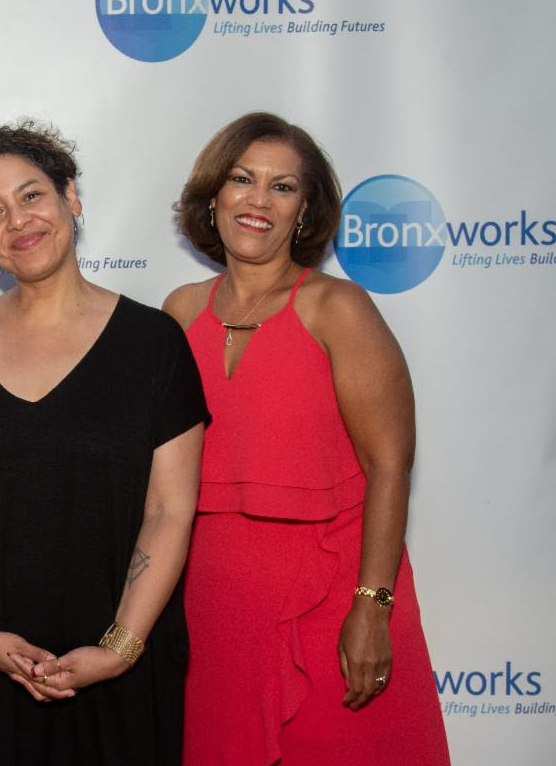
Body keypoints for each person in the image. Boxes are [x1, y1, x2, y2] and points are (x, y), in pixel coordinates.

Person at [0, 121, 208, 766]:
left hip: (122, 672)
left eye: (32, 195)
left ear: (70, 196)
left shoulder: (154, 343)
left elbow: (170, 509)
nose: (18, 220)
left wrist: (119, 649)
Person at [164, 112, 450, 765]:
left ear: (305, 212)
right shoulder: (179, 311)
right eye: (242, 178)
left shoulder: (338, 307)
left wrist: (372, 607)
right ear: (213, 195)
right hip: (214, 609)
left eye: (283, 186)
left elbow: (389, 463)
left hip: (332, 599)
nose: (258, 200)